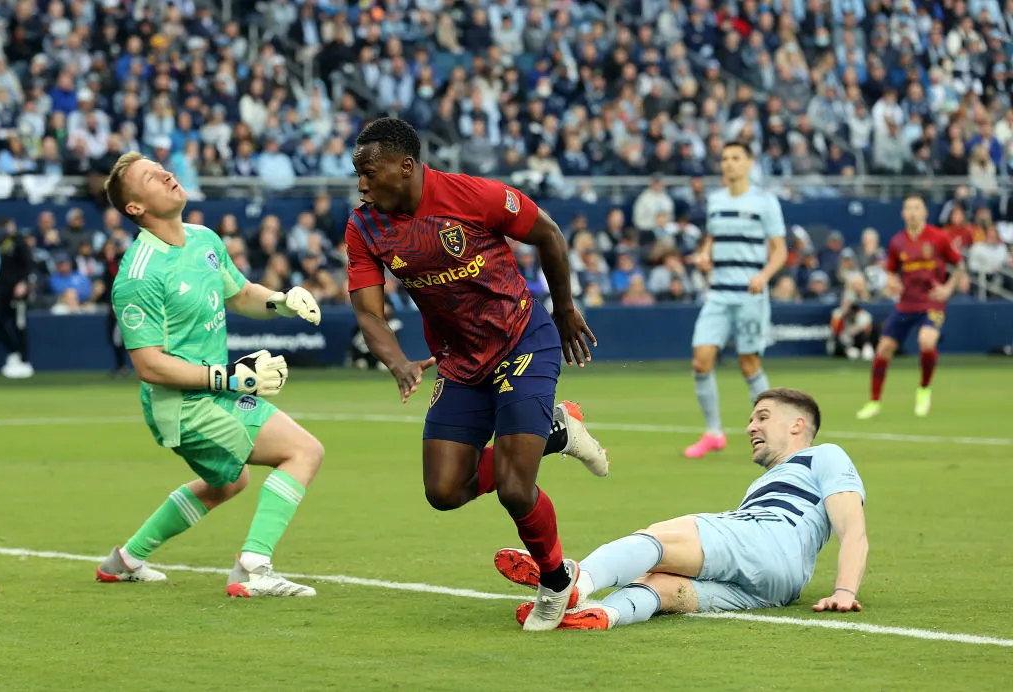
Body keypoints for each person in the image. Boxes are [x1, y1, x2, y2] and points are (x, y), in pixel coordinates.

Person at [345, 117, 609, 631]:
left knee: (515, 486)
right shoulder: (365, 227)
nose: (361, 184)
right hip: (460, 362)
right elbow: (369, 313)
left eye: (368, 172)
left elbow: (550, 235)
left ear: (406, 166)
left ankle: (556, 581)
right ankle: (555, 433)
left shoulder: (473, 196)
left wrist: (565, 308)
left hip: (521, 339)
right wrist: (397, 361)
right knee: (444, 491)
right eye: (357, 173)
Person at [96, 151, 326, 598]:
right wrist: (232, 378)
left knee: (228, 482)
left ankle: (123, 561)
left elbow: (240, 294)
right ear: (135, 209)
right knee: (303, 452)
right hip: (180, 407)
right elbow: (149, 364)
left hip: (215, 393)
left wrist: (280, 301)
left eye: (160, 167)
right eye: (149, 176)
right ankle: (252, 567)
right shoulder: (138, 274)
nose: (165, 173)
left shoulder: (203, 239)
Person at [495, 388, 869, 630]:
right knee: (663, 587)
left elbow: (853, 529)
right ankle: (603, 616)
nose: (750, 426)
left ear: (798, 424)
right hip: (780, 587)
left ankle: (573, 582)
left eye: (763, 417)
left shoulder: (825, 455)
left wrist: (845, 590)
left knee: (658, 539)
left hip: (767, 536)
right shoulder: (770, 481)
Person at [684, 141, 787, 459]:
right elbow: (713, 238)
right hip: (718, 293)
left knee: (748, 363)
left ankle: (774, 431)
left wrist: (764, 276)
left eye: (735, 158)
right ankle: (714, 433)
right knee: (701, 360)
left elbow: (780, 250)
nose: (728, 163)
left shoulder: (765, 202)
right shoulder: (714, 201)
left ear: (748, 163)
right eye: (725, 158)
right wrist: (704, 254)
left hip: (750, 295)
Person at [856, 194, 965, 419]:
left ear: (925, 212)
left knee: (926, 341)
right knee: (883, 348)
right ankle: (874, 402)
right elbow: (890, 272)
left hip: (932, 302)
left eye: (917, 208)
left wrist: (948, 288)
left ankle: (924, 389)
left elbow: (959, 264)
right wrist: (892, 282)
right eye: (909, 208)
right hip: (906, 303)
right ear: (903, 213)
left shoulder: (939, 237)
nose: (913, 212)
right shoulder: (897, 242)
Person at [0, 218, 34, 378]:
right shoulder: (4, 245)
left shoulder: (20, 243)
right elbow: (3, 270)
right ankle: (14, 352)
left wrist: (23, 283)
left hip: (18, 292)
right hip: (3, 291)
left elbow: (28, 264)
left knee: (19, 325)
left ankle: (24, 360)